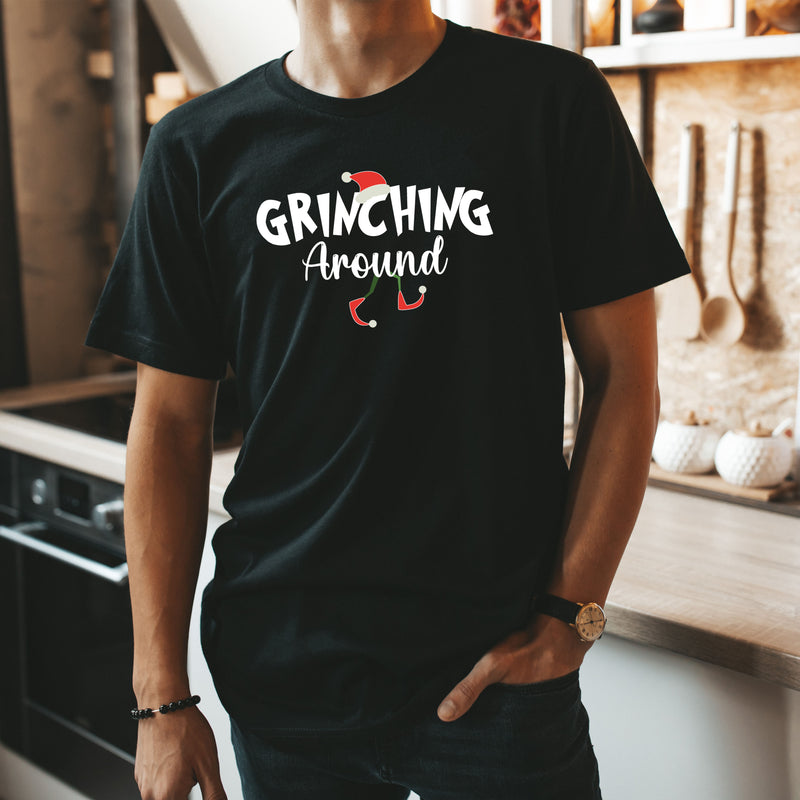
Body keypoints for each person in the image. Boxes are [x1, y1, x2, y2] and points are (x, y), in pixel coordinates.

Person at [84, 1, 691, 798]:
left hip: (498, 681)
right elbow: (167, 428)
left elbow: (626, 381)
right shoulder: (196, 147)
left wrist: (569, 619)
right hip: (286, 682)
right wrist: (159, 698)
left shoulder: (551, 100)